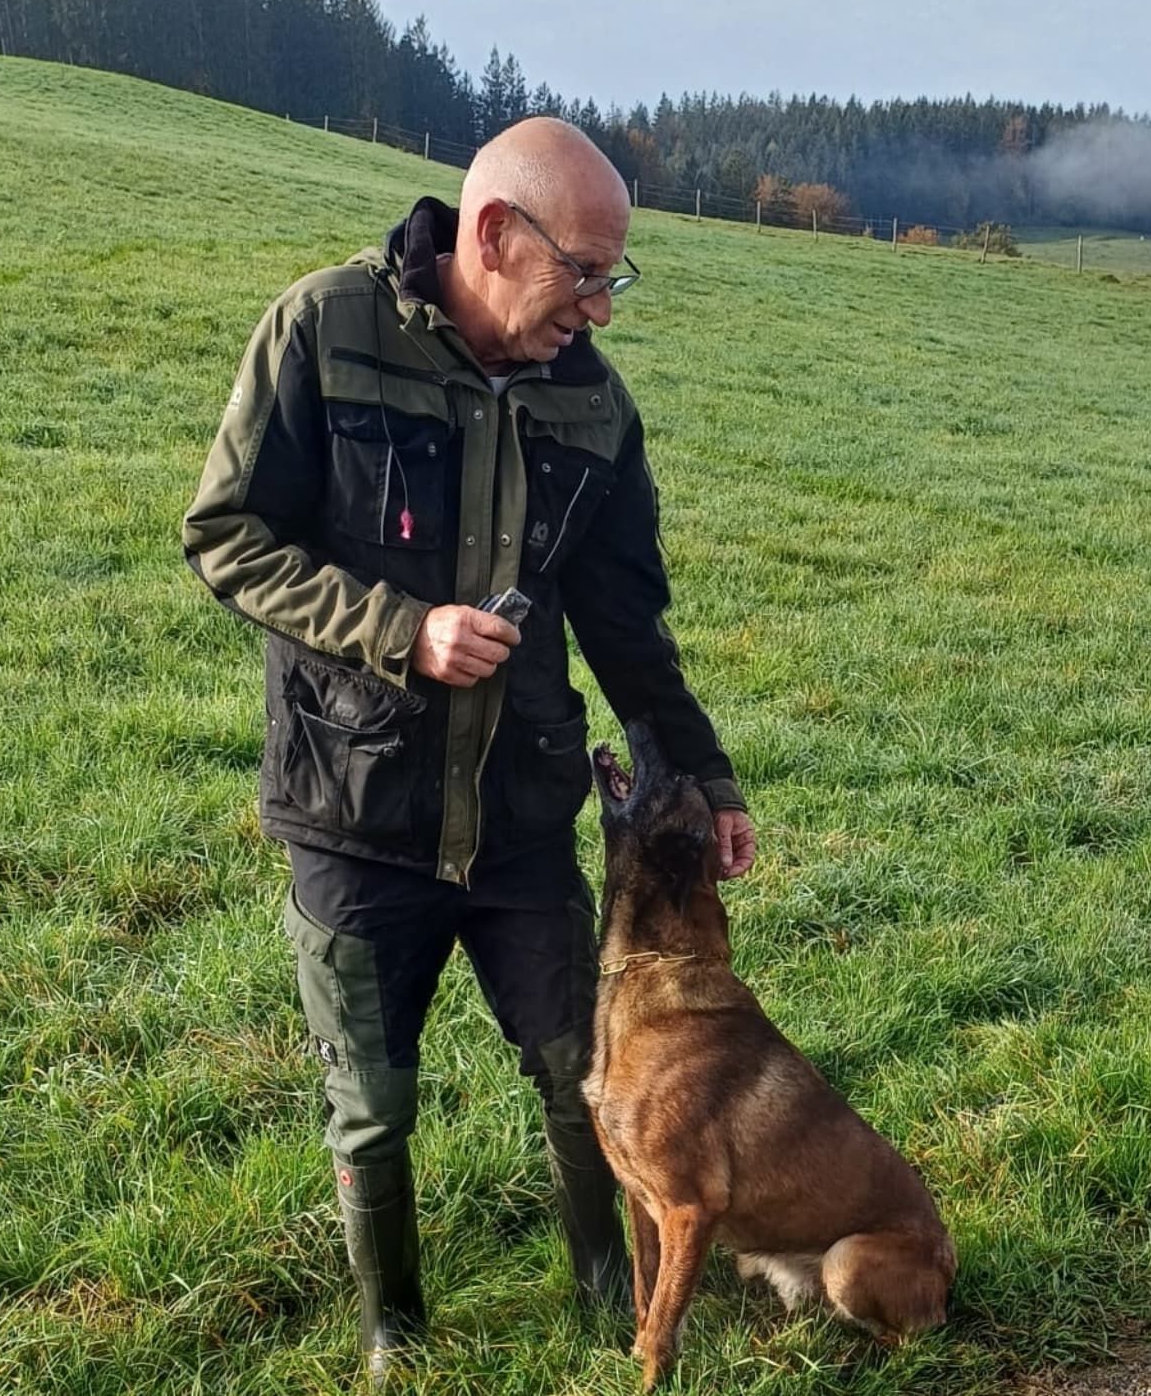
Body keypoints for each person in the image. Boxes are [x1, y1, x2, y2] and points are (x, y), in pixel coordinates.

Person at [182, 117, 756, 1382]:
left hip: (520, 817)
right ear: (495, 235)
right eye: (584, 273)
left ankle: (611, 1293)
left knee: (579, 1070)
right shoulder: (325, 329)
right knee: (373, 1102)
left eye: (614, 276)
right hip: (356, 806)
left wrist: (704, 776)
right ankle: (394, 1330)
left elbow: (626, 622)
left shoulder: (594, 403)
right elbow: (227, 536)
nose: (601, 307)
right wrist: (402, 629)